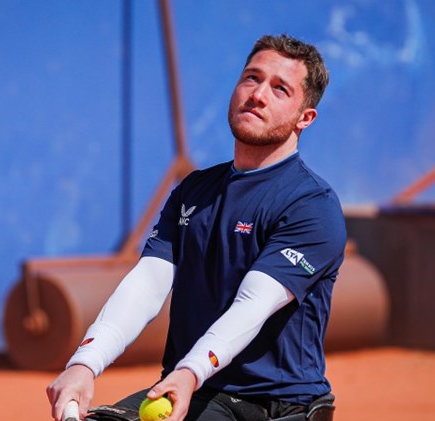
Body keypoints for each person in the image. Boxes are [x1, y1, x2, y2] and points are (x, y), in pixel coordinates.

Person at [47, 33, 346, 421]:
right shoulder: (193, 191)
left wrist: (189, 372)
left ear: (304, 118)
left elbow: (253, 305)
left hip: (273, 407)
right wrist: (84, 364)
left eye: (280, 89)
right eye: (251, 78)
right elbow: (147, 284)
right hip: (196, 392)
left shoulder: (312, 205)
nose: (258, 94)